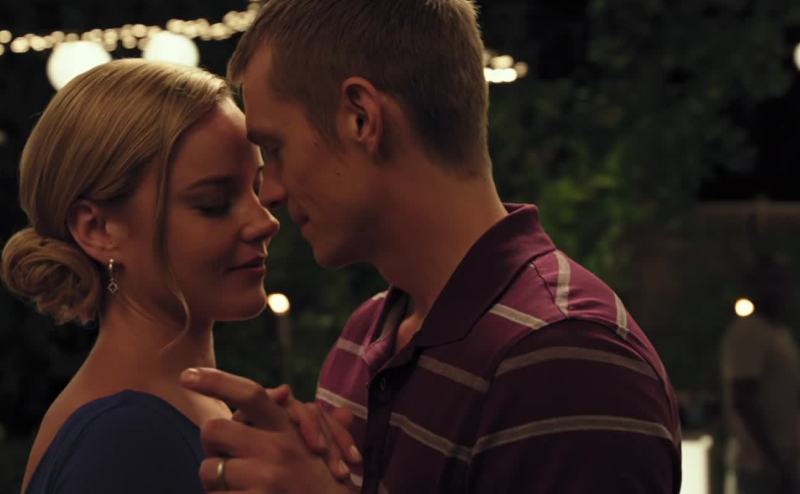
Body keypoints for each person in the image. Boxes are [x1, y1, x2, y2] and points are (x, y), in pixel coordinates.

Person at [180, 0, 683, 492]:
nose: (270, 193)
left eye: (275, 149)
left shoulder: (568, 358)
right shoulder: (366, 334)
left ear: (361, 117)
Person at [0, 59, 287, 493]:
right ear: (98, 229)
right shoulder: (126, 437)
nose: (265, 221)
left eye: (257, 188)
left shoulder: (168, 411)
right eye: (213, 203)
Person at [721, 256, 800, 494]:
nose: (780, 290)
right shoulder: (748, 332)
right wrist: (773, 461)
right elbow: (743, 399)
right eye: (772, 282)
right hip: (759, 467)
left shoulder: (778, 333)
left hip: (782, 462)